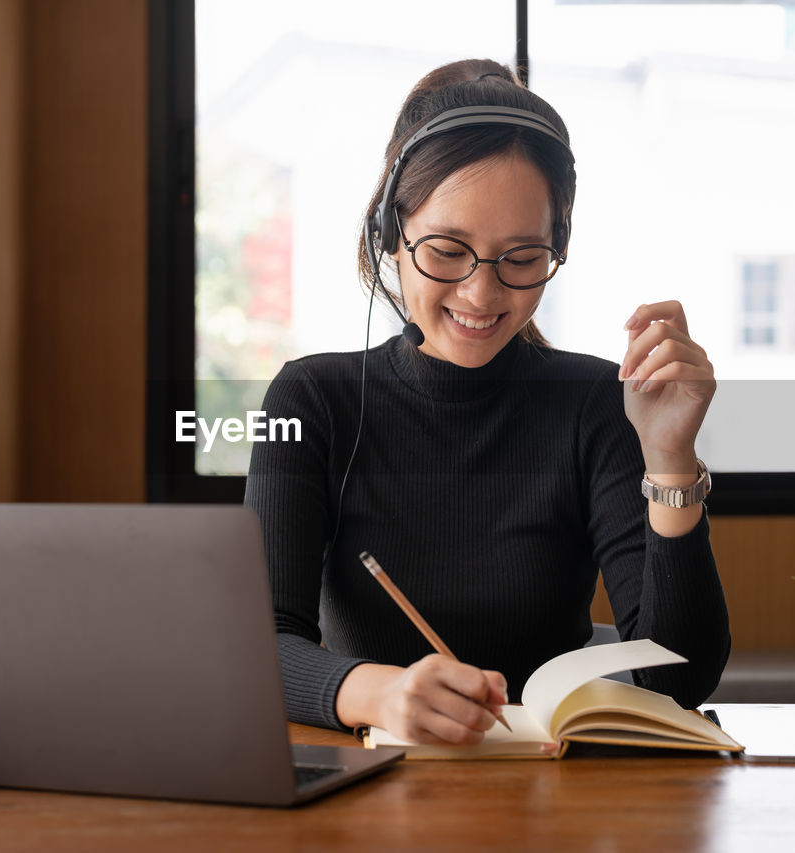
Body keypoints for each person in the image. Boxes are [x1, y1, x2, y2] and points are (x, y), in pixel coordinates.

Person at [245, 58, 729, 749]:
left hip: (555, 794)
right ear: (392, 233)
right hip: (369, 796)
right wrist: (384, 692)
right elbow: (261, 641)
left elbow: (680, 677)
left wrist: (672, 459)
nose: (481, 292)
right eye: (447, 249)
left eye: (522, 257)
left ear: (555, 247)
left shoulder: (599, 403)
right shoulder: (313, 400)